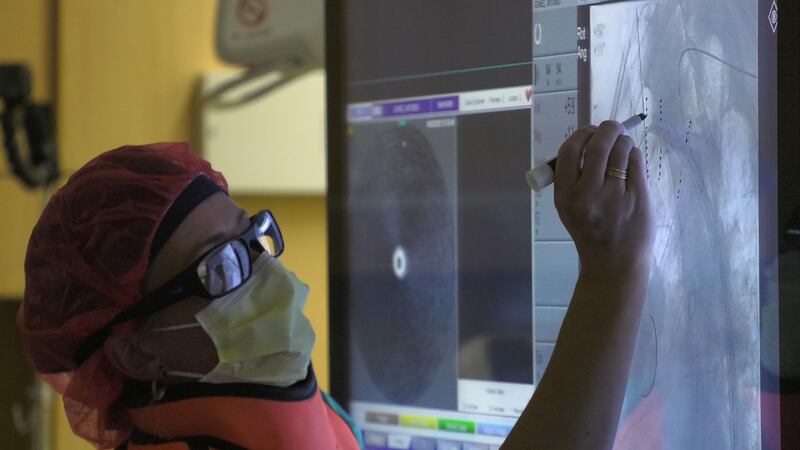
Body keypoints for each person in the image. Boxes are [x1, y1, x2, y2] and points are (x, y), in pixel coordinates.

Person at [17, 121, 654, 449]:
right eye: (221, 268)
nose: (266, 272)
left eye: (253, 237)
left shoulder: (273, 402)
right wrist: (613, 269)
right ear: (135, 351)